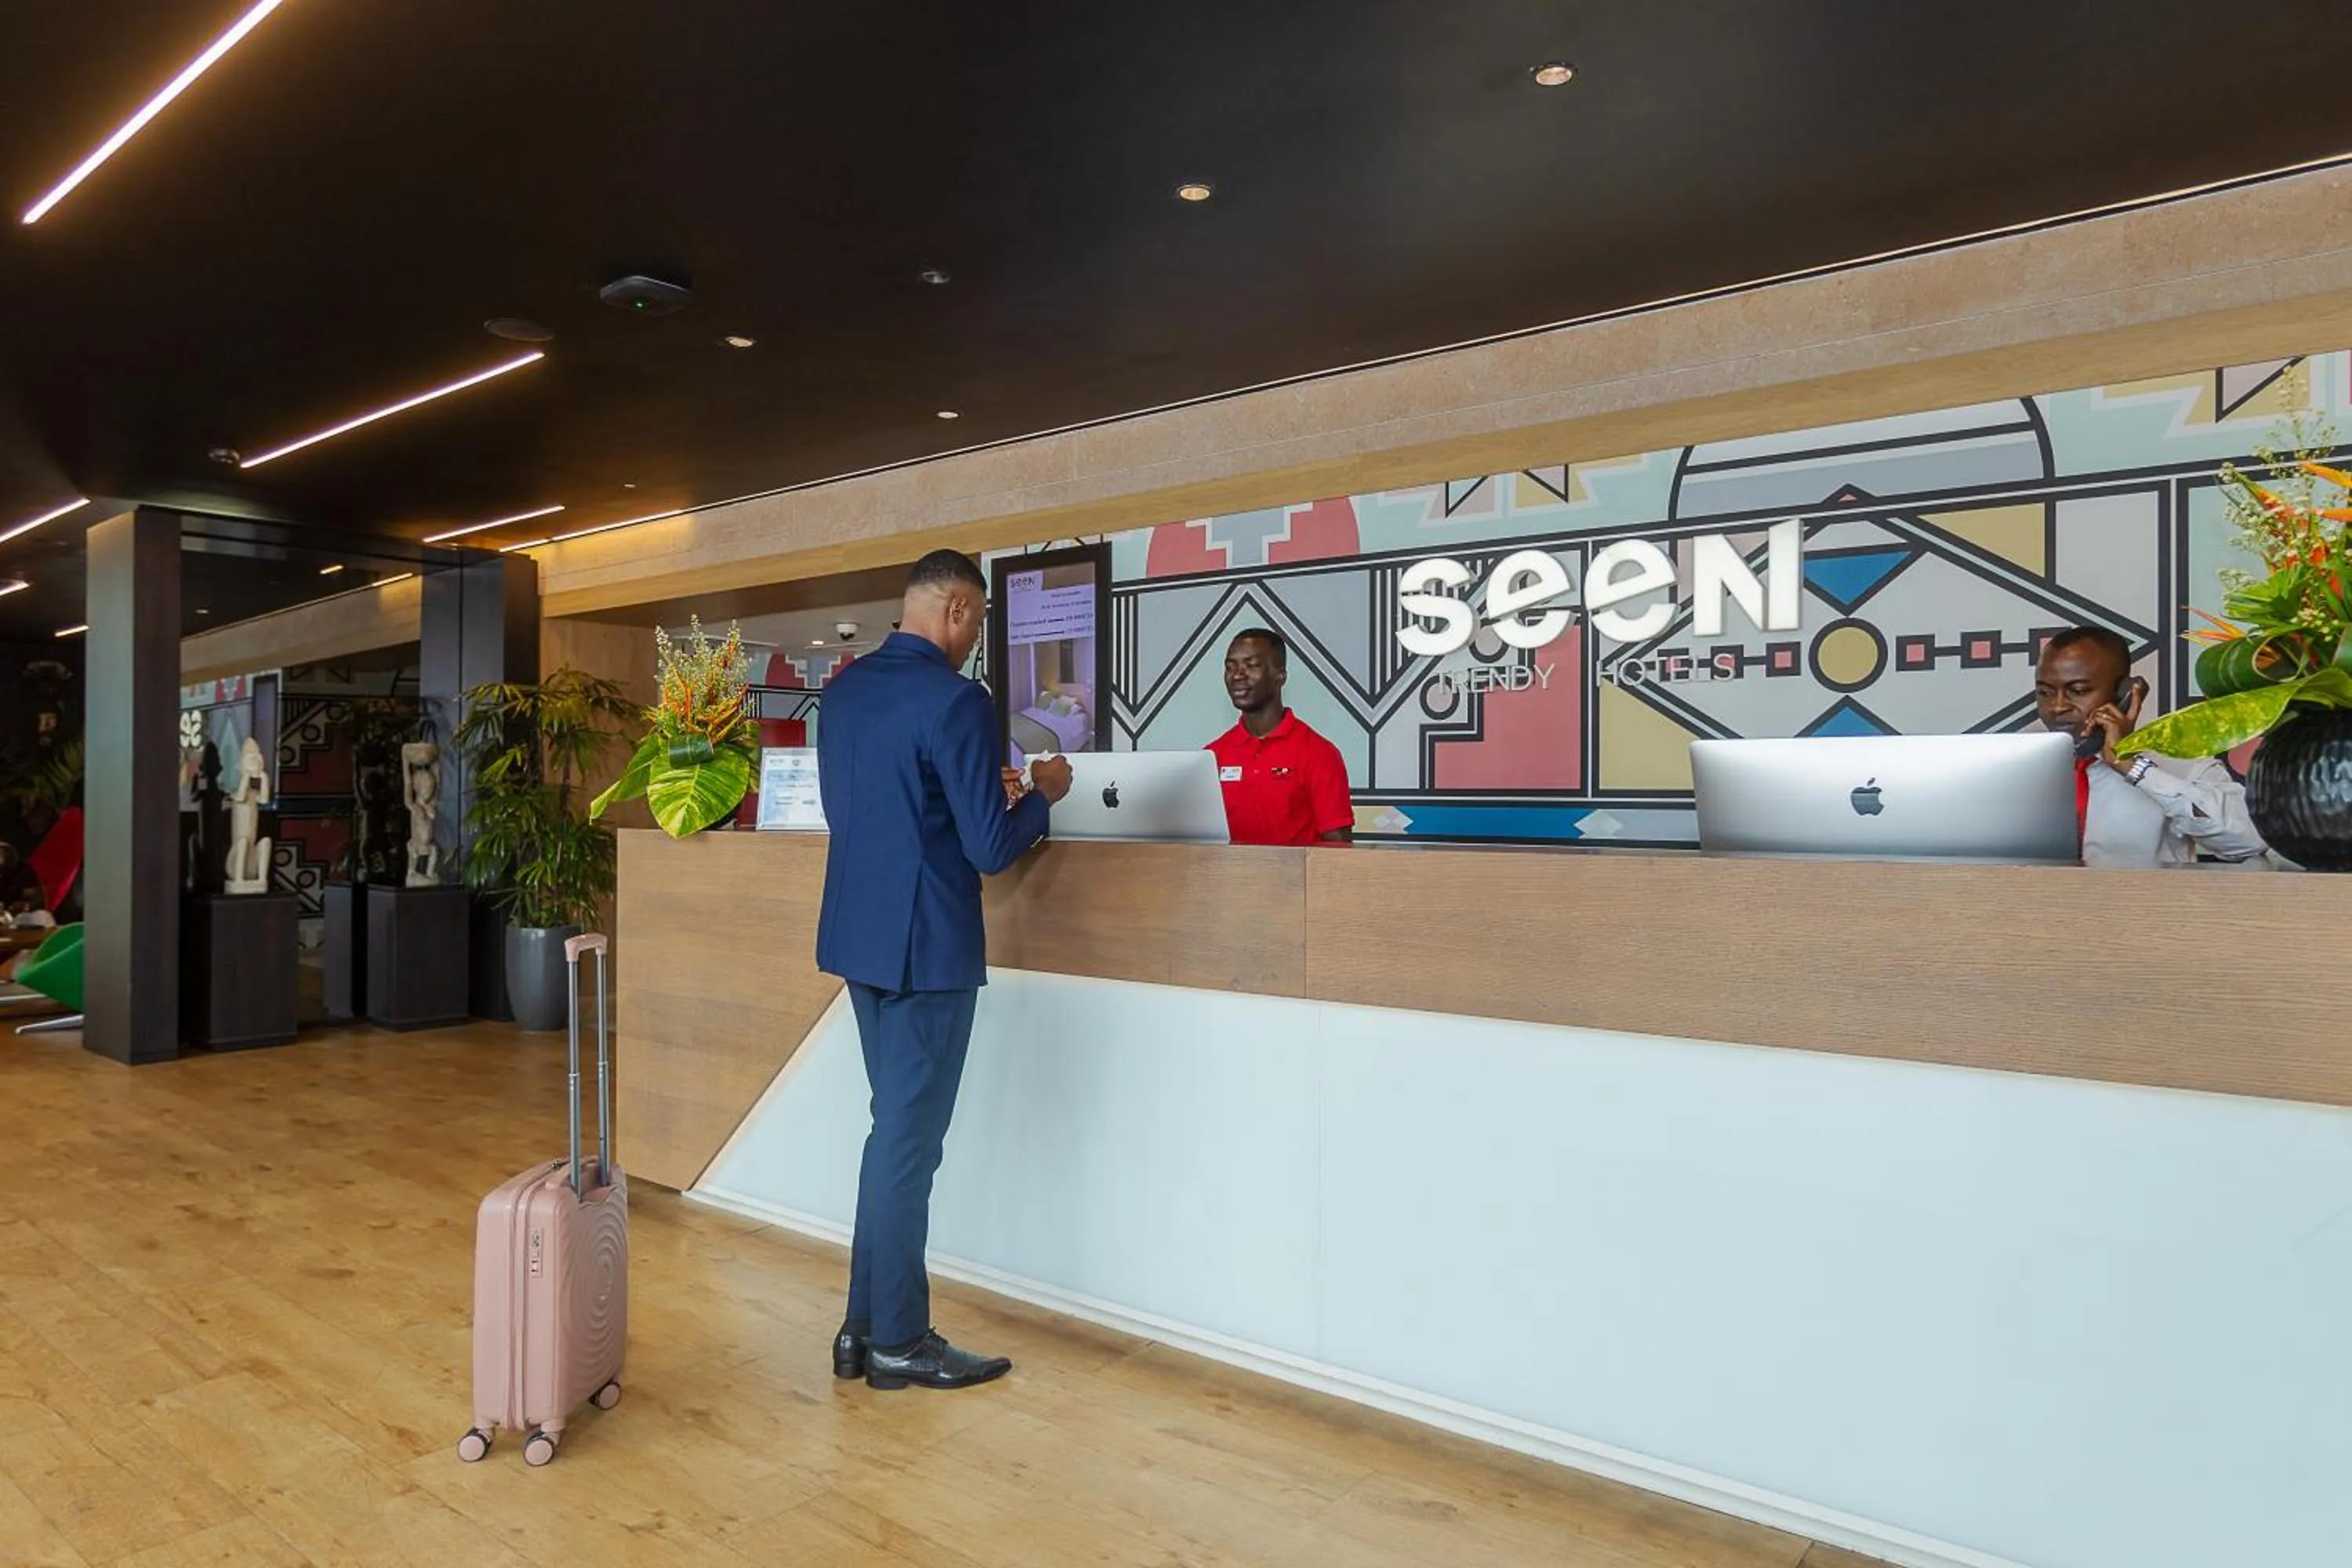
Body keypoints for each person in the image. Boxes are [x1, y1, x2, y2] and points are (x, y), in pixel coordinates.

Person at [815, 548, 1073, 1391]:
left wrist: (977, 790)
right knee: (908, 1146)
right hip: (928, 947)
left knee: (888, 1133)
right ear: (958, 610)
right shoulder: (960, 699)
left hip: (859, 939)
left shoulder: (846, 691)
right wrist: (1043, 793)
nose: (976, 642)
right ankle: (898, 1339)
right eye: (980, 623)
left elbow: (891, 809)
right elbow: (991, 848)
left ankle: (861, 1330)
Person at [2031, 626, 2268, 869]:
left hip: (2147, 906)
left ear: (2125, 693)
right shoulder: (2024, 771)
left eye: (2078, 691)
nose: (2057, 706)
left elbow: (2248, 842)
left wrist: (2134, 768)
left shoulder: (2182, 765)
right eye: (2045, 692)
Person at [1208, 628, 1353, 846]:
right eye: (1230, 667)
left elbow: (1338, 851)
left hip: (1296, 880)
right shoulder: (1211, 756)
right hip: (1227, 879)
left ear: (1281, 676)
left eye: (1252, 665)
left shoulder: (1319, 754)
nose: (1237, 675)